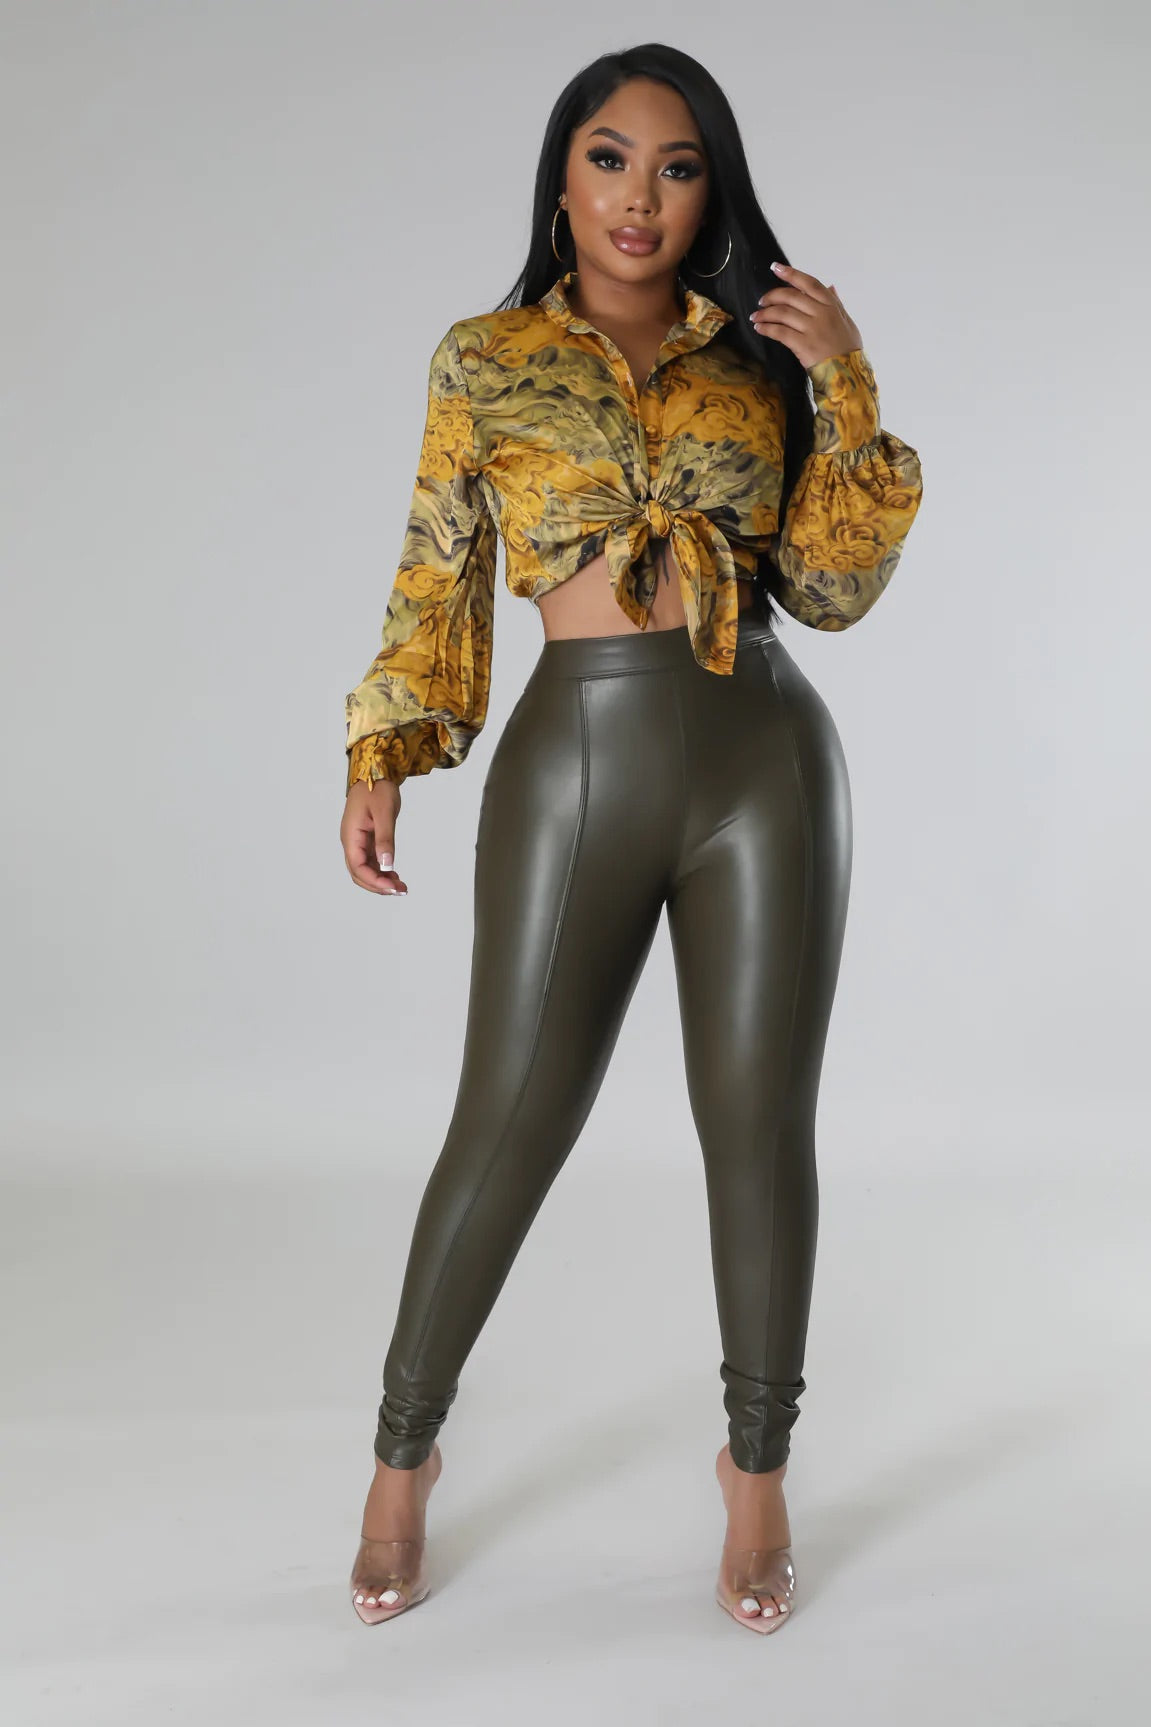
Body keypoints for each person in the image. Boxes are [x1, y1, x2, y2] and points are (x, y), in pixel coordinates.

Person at [340, 43, 923, 1635]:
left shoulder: (762, 363)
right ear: (562, 179)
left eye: (677, 167)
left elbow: (833, 592)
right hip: (575, 764)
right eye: (610, 159)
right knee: (508, 1121)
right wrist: (387, 749)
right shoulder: (486, 360)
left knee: (759, 1127)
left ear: (711, 192)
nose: (640, 197)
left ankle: (758, 1473)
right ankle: (401, 1459)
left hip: (765, 761)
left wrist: (847, 377)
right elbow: (437, 571)